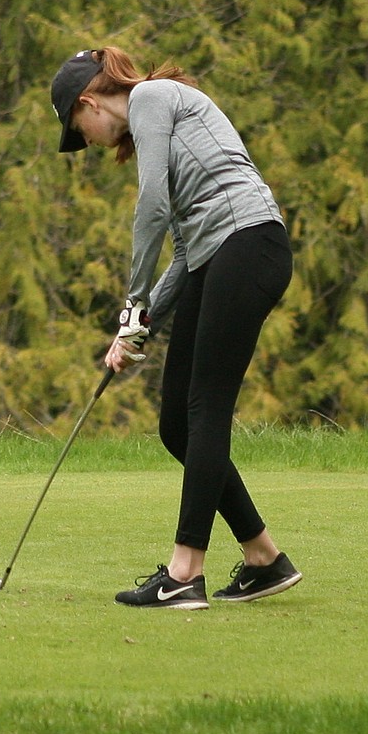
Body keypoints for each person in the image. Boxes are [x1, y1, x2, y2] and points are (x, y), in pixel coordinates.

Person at [50, 47, 302, 610]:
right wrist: (136, 331)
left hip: (250, 244)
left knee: (204, 407)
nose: (87, 142)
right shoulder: (158, 123)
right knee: (175, 425)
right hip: (219, 253)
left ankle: (185, 573)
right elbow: (187, 250)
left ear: (89, 101)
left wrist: (133, 304)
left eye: (78, 129)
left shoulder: (151, 97)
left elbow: (154, 206)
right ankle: (264, 558)